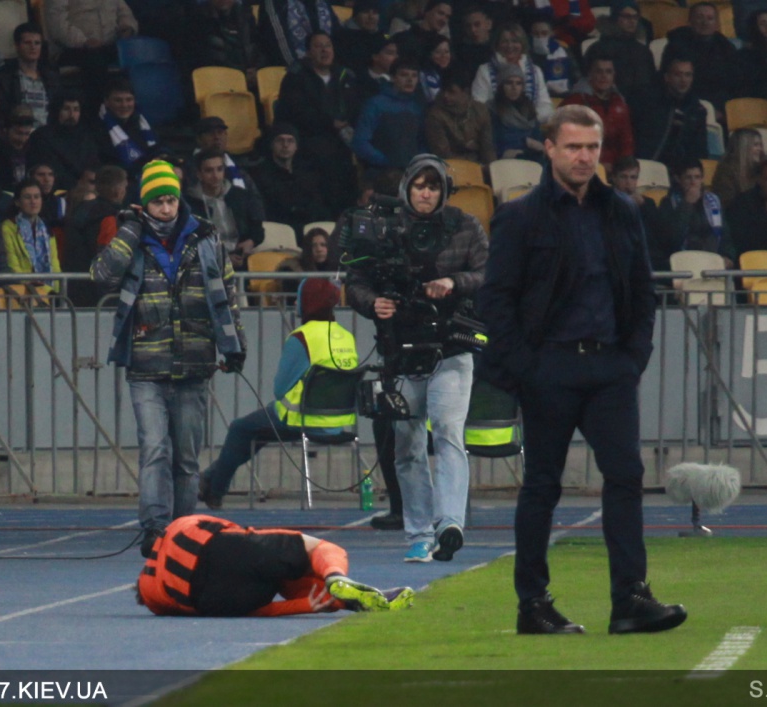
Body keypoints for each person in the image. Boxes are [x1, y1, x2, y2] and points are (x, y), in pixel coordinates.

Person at [476, 104, 686, 635]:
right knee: (542, 486)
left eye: (592, 147)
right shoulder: (520, 217)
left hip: (610, 367)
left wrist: (633, 358)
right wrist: (526, 368)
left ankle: (630, 599)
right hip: (548, 367)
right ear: (549, 149)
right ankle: (533, 605)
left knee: (627, 476)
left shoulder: (622, 211)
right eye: (573, 147)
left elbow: (642, 290)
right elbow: (496, 300)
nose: (584, 157)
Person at [89, 160, 247, 557]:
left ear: (179, 201)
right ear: (144, 203)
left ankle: (183, 531)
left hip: (194, 363)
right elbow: (101, 275)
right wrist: (129, 230)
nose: (165, 208)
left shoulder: (205, 237)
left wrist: (235, 345)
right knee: (155, 449)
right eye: (157, 202)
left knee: (187, 458)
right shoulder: (132, 237)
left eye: (170, 201)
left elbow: (228, 294)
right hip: (145, 365)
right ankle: (155, 529)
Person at [346, 154, 488, 563]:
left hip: (451, 348)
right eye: (419, 185)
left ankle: (449, 524)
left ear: (444, 191)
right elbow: (356, 280)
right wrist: (373, 303)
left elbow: (488, 273)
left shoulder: (466, 225)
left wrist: (453, 282)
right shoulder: (382, 227)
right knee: (406, 446)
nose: (426, 193)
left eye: (434, 186)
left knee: (447, 432)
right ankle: (420, 534)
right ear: (407, 188)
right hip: (400, 350)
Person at [198, 278, 354, 508]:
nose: (296, 302)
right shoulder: (346, 336)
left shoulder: (302, 338)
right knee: (258, 431)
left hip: (302, 419)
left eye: (299, 298)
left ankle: (215, 490)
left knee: (241, 428)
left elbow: (280, 389)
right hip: (337, 422)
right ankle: (208, 479)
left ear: (307, 302)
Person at [136, 514, 414, 617]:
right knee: (320, 549)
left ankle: (350, 601)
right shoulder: (171, 533)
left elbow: (253, 611)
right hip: (221, 549)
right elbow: (226, 534)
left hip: (216, 600)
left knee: (280, 577)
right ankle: (335, 576)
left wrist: (305, 606)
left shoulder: (155, 598)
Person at [276, 32, 359, 214]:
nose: (324, 50)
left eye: (328, 45)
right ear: (308, 52)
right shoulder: (296, 77)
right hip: (309, 141)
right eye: (318, 46)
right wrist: (329, 123)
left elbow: (355, 108)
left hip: (342, 142)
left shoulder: (345, 76)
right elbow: (294, 111)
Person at [44, 0, 138, 105]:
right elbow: (56, 23)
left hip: (107, 46)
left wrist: (127, 27)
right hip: (71, 47)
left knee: (135, 52)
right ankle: (98, 108)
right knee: (96, 59)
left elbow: (124, 12)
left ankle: (132, 108)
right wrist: (84, 41)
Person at [185, 148, 265, 270]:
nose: (215, 176)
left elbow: (258, 229)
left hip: (241, 259)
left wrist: (251, 241)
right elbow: (190, 242)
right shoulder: (189, 203)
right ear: (199, 174)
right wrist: (222, 258)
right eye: (209, 171)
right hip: (206, 263)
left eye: (219, 169)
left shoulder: (241, 196)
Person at [252, 122, 332, 242]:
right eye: (280, 140)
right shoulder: (260, 175)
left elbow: (318, 206)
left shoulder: (308, 174)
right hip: (278, 234)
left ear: (296, 146)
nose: (285, 145)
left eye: (290, 141)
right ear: (272, 144)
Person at [62, 164, 127, 307]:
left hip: (74, 288)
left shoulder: (79, 210)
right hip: (101, 296)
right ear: (117, 191)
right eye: (124, 187)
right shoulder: (109, 218)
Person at [652, 158, 733, 272]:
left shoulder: (713, 202)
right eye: (688, 177)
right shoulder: (668, 203)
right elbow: (670, 239)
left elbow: (724, 234)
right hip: (682, 263)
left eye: (697, 177)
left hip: (712, 261)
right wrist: (687, 204)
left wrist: (728, 255)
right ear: (678, 179)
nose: (693, 182)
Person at [662, 2, 742, 117]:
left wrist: (721, 110)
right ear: (690, 20)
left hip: (719, 109)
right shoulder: (675, 45)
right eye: (700, 17)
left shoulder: (726, 48)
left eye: (710, 18)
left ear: (717, 24)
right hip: (683, 106)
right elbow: (668, 81)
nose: (705, 22)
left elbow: (734, 84)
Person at [629, 54, 708, 167]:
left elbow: (700, 151)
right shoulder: (649, 104)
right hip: (646, 166)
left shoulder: (697, 111)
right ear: (667, 77)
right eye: (678, 75)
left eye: (688, 75)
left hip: (681, 172)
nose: (683, 80)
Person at [352, 57, 427, 172]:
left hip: (412, 172)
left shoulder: (417, 107)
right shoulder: (376, 104)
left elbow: (422, 142)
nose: (410, 80)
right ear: (392, 77)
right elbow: (360, 142)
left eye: (414, 76)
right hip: (381, 172)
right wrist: (385, 161)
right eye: (404, 75)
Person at [561, 53, 634, 172]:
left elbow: (626, 141)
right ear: (590, 74)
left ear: (614, 75)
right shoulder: (575, 103)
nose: (604, 76)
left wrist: (622, 167)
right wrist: (598, 165)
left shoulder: (620, 103)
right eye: (599, 71)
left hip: (615, 170)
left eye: (608, 72)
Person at [471, 23, 553, 124]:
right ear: (497, 44)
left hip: (530, 126)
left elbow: (545, 105)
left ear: (522, 44)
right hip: (496, 127)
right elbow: (478, 105)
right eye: (505, 41)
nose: (510, 46)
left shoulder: (536, 71)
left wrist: (526, 122)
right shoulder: (484, 70)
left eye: (515, 41)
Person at [0, 23, 59, 127]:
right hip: (19, 130)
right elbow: (3, 112)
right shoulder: (2, 77)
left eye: (37, 43)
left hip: (48, 131)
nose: (33, 47)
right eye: (27, 43)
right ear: (17, 46)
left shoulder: (52, 77)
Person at [26, 93, 98, 192]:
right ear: (57, 110)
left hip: (84, 191)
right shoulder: (41, 136)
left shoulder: (87, 137)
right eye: (66, 109)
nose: (72, 114)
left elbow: (93, 166)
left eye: (76, 109)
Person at [424, 66, 496, 165]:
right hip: (451, 166)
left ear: (465, 92)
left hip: (479, 164)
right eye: (443, 90)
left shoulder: (480, 110)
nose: (445, 95)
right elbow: (442, 153)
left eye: (451, 92)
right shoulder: (435, 114)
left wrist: (492, 168)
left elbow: (487, 147)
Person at [93, 78, 161, 181]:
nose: (124, 105)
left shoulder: (142, 123)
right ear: (106, 102)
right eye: (118, 100)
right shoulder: (97, 129)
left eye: (129, 100)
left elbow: (159, 147)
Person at [1, 177, 61, 289]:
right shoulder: (8, 227)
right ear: (17, 202)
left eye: (37, 197)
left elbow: (55, 264)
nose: (33, 201)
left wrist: (56, 291)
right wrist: (31, 286)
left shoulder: (46, 227)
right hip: (23, 291)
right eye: (27, 197)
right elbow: (12, 264)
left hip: (50, 292)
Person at [592, 1, 655, 98]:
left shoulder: (643, 51)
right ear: (615, 18)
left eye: (635, 17)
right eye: (627, 16)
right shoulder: (599, 49)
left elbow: (651, 82)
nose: (632, 21)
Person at [258, 0, 340, 68]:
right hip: (289, 70)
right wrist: (300, 70)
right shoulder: (275, 3)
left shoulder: (323, 2)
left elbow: (337, 36)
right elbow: (279, 42)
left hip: (323, 69)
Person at [488, 64, 543, 161]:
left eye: (518, 83)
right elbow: (496, 140)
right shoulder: (492, 109)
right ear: (501, 86)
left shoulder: (529, 107)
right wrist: (526, 141)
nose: (514, 87)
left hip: (531, 157)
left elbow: (537, 137)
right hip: (504, 159)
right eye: (509, 83)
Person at [711, 127, 764, 208]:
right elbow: (727, 203)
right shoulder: (726, 171)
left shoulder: (761, 168)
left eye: (760, 145)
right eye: (756, 145)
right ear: (743, 147)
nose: (760, 149)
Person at [333, 0, 385, 75]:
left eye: (375, 12)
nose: (371, 17)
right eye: (365, 12)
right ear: (355, 15)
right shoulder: (341, 38)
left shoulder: (381, 38)